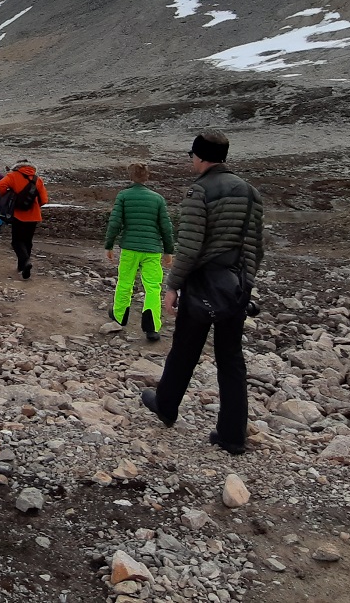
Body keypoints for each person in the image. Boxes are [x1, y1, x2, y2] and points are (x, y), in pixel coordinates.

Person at [140, 131, 264, 456]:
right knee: (231, 359)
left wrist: (173, 286)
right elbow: (254, 247)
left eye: (192, 155)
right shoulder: (250, 192)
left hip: (202, 285)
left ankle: (166, 406)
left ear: (199, 156)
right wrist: (245, 284)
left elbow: (190, 247)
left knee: (184, 349)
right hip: (235, 287)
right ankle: (233, 435)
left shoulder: (200, 191)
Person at [105, 162, 175, 342]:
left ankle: (119, 317)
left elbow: (115, 223)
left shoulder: (124, 196)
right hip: (152, 250)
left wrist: (109, 245)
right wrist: (168, 251)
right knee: (152, 287)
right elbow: (166, 227)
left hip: (129, 248)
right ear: (147, 177)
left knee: (125, 282)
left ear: (130, 176)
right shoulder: (158, 199)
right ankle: (152, 328)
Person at [0, 158, 48, 279]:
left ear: (18, 166)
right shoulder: (37, 179)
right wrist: (35, 206)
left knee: (16, 241)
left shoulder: (13, 175)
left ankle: (25, 262)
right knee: (27, 241)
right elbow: (44, 200)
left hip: (18, 215)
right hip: (34, 215)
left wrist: (10, 196)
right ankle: (22, 267)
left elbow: (1, 185)